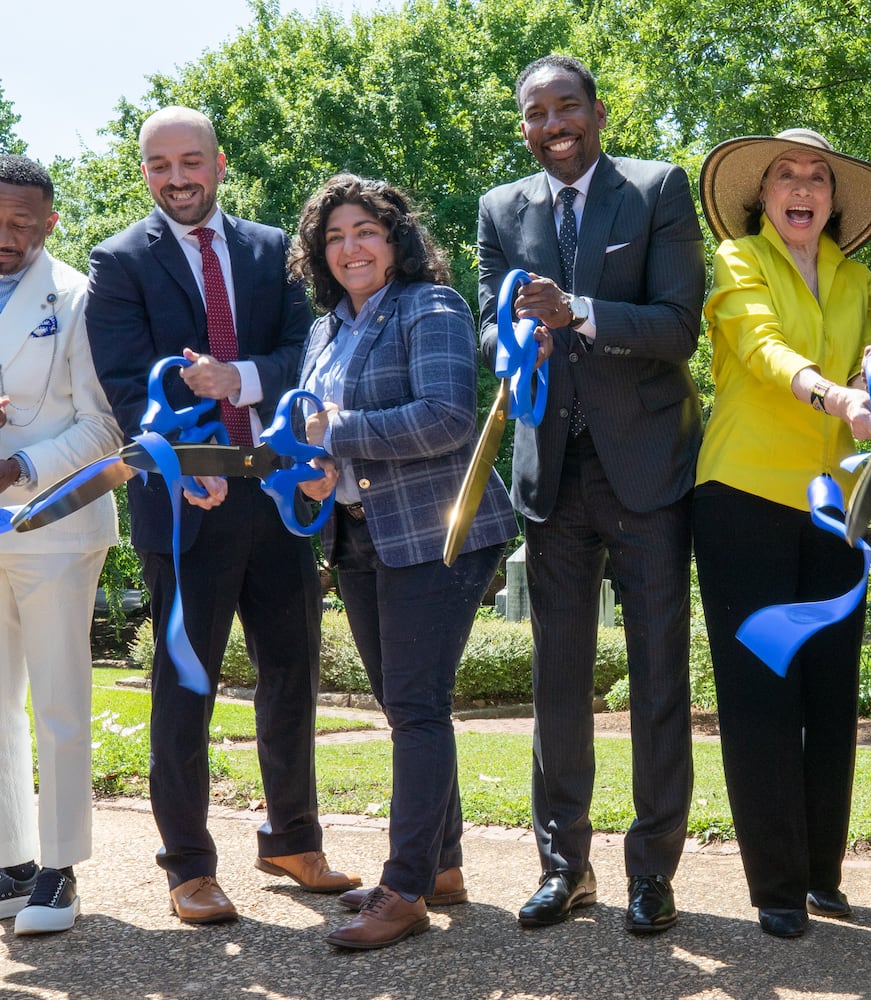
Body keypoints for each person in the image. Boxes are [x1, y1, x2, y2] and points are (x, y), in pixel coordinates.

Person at [85, 106, 358, 924]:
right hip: (185, 506)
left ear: (219, 163)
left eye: (191, 161)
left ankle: (291, 839)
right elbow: (128, 384)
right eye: (161, 164)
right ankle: (189, 868)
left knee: (292, 675)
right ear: (145, 173)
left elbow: (302, 352)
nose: (178, 177)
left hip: (276, 495)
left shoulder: (276, 251)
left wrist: (235, 380)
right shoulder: (120, 259)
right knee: (186, 687)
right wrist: (184, 464)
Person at [476, 55, 704, 934]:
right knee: (557, 685)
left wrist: (578, 310)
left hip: (647, 471)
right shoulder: (501, 208)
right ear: (525, 126)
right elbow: (498, 332)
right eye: (535, 113)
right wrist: (520, 337)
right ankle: (563, 868)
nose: (552, 123)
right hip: (549, 476)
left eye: (565, 106)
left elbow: (679, 328)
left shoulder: (657, 188)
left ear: (596, 112)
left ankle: (653, 873)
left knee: (656, 680)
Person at [282, 174, 516, 949]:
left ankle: (406, 887)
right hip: (355, 534)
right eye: (335, 236)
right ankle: (442, 866)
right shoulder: (324, 331)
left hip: (438, 535)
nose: (351, 247)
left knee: (416, 707)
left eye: (367, 232)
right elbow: (319, 437)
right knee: (402, 705)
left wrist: (335, 430)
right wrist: (313, 464)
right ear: (319, 253)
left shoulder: (431, 307)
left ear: (397, 240)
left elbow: (448, 418)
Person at [694, 129, 871, 938]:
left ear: (834, 199)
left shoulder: (856, 278)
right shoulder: (738, 261)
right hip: (742, 494)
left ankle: (822, 873)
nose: (803, 186)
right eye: (786, 175)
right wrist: (830, 395)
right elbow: (761, 348)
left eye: (818, 176)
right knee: (759, 695)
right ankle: (774, 885)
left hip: (834, 505)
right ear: (762, 196)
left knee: (830, 692)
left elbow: (863, 378)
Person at [0, 155, 121, 934]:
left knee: (59, 701)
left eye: (22, 222)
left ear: (49, 222)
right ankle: (10, 859)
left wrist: (17, 465)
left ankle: (60, 866)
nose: (6, 235)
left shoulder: (78, 296)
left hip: (54, 526)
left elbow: (105, 425)